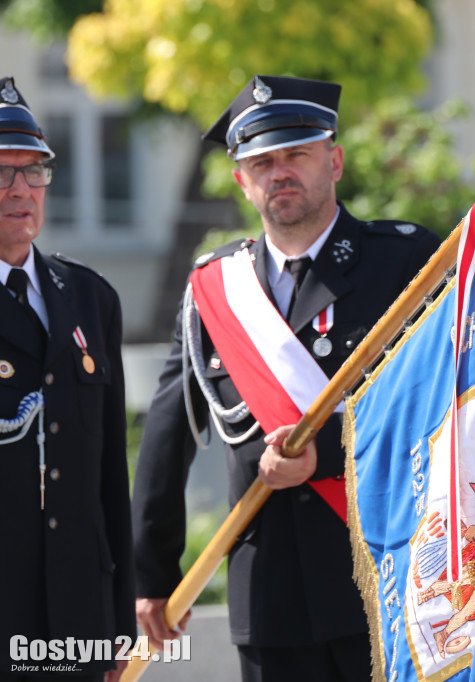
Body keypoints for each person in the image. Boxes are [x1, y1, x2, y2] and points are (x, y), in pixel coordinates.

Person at [131, 75, 440, 681]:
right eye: (262, 163)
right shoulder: (216, 288)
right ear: (242, 182)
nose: (280, 173)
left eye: (296, 155)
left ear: (335, 161)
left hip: (384, 577)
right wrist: (152, 574)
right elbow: (167, 436)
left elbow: (433, 405)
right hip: (270, 596)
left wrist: (325, 455)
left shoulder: (403, 262)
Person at [0, 77, 134, 682]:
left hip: (78, 619)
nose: (20, 189)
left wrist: (118, 627)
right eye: (2, 172)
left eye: (33, 171)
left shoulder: (88, 297)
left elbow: (109, 477)